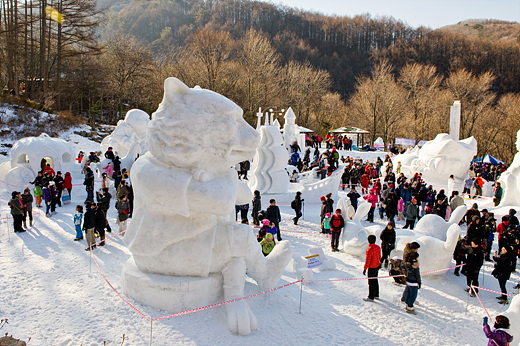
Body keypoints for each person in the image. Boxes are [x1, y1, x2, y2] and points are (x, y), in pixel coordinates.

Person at [363, 235, 382, 302]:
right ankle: (376, 294)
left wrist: (365, 269)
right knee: (375, 280)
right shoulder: (378, 247)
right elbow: (379, 257)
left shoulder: (369, 250)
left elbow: (367, 261)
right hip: (377, 266)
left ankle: (371, 297)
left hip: (371, 267)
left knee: (371, 282)